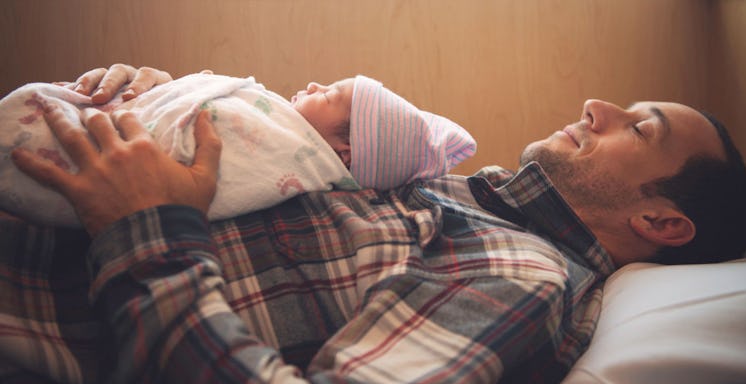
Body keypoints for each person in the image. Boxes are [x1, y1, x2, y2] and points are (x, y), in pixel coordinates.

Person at [2, 64, 746, 384]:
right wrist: (169, 105)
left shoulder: (522, 277)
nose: (596, 105)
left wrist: (144, 231)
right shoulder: (436, 185)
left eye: (638, 126)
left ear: (660, 222)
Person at [0, 70, 476, 226]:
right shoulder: (272, 116)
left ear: (344, 152)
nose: (313, 83)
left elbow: (207, 149)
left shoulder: (289, 153)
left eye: (330, 95)